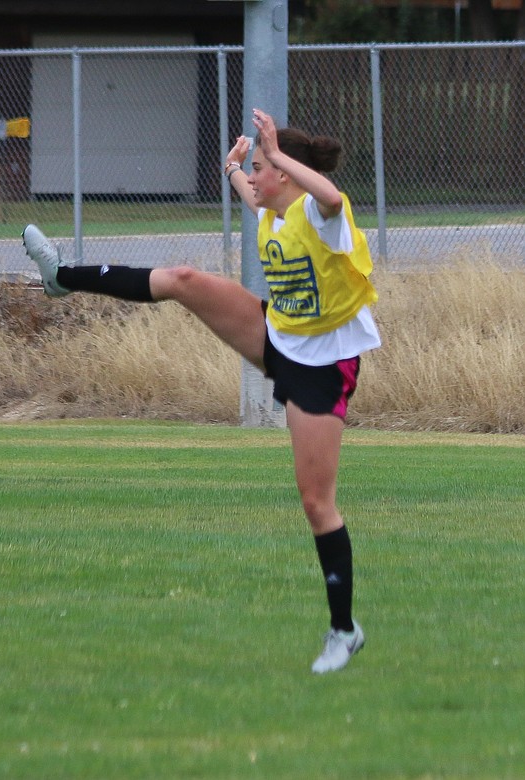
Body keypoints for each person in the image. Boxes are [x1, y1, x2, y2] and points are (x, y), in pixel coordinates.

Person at [22, 108, 379, 674]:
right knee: (183, 280)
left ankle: (344, 630)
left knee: (316, 503)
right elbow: (249, 189)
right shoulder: (271, 206)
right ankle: (61, 277)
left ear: (285, 174)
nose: (254, 179)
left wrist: (276, 156)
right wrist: (235, 168)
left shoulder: (318, 212)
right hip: (276, 336)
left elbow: (332, 197)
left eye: (263, 170)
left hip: (323, 366)